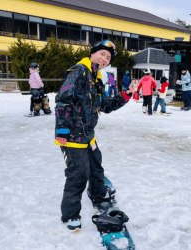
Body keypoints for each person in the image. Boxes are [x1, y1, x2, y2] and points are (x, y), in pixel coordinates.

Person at [54, 40, 133, 232]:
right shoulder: (79, 71)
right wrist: (62, 130)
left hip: (88, 134)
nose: (105, 59)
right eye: (102, 54)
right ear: (93, 53)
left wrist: (125, 95)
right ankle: (70, 215)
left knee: (96, 166)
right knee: (78, 174)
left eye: (108, 57)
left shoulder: (96, 77)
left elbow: (104, 106)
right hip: (72, 135)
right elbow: (63, 100)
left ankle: (98, 194)